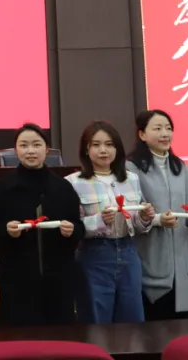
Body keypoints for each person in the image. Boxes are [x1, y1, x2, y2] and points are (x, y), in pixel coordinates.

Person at [0, 123, 84, 327]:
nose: (30, 151)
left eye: (36, 145)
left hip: (57, 281)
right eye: (24, 145)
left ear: (47, 150)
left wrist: (72, 230)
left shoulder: (63, 187)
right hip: (17, 281)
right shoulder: (4, 188)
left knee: (59, 338)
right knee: (18, 339)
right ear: (15, 150)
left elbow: (79, 227)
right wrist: (6, 230)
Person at [67, 120, 155, 325]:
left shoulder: (131, 179)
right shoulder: (73, 182)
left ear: (117, 149)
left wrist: (145, 217)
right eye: (96, 145)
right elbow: (72, 227)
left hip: (128, 252)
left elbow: (137, 225)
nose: (103, 150)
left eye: (109, 144)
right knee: (96, 319)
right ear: (86, 149)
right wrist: (98, 221)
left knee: (132, 318)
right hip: (94, 254)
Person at [128, 109, 188, 321]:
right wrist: (157, 220)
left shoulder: (180, 167)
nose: (165, 133)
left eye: (168, 128)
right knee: (155, 328)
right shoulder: (131, 167)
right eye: (157, 128)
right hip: (151, 260)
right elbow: (132, 211)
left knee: (184, 328)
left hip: (183, 265)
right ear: (142, 134)